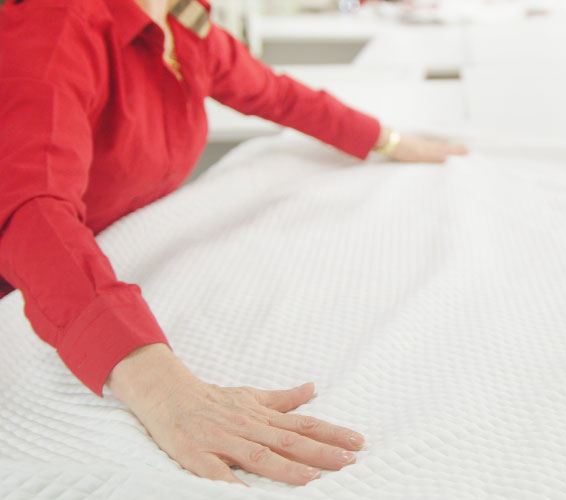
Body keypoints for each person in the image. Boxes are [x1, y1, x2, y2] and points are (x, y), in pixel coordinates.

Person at [0, 0, 467, 487]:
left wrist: (388, 141)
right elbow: (32, 212)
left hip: (102, 259)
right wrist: (159, 384)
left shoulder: (180, 19)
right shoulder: (54, 20)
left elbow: (276, 94)